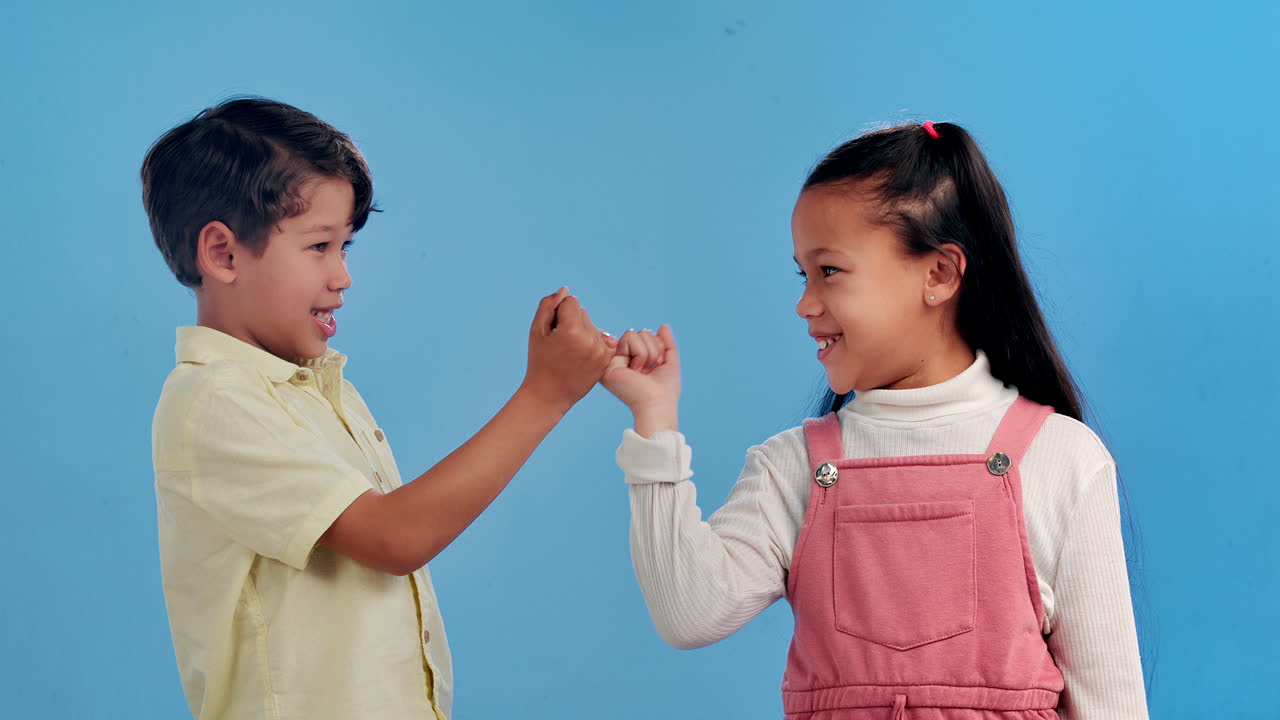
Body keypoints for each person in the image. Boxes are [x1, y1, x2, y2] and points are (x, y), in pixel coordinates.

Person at [602, 121, 1148, 719]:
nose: (805, 304)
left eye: (829, 271)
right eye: (802, 274)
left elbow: (1111, 704)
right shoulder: (796, 469)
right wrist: (654, 417)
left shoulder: (1061, 457)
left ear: (938, 274)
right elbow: (688, 612)